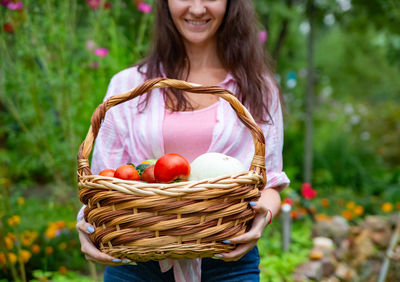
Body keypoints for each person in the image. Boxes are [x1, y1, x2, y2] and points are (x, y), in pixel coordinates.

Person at [76, 0, 290, 281]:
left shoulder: (258, 89)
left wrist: (264, 218)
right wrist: (87, 226)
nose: (197, 8)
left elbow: (270, 181)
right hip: (136, 258)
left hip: (226, 258)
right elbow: (104, 182)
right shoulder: (127, 86)